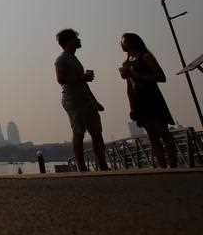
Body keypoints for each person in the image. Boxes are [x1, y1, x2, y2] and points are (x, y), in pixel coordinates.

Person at [54, 28, 110, 171]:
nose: (79, 41)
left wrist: (94, 101)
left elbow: (83, 84)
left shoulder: (74, 58)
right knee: (79, 132)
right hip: (73, 100)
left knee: (97, 131)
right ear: (68, 42)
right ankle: (82, 167)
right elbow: (60, 79)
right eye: (76, 38)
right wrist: (81, 77)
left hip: (86, 99)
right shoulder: (61, 59)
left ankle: (102, 164)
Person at [119, 32, 177, 168]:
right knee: (151, 135)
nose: (121, 44)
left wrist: (136, 75)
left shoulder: (145, 56)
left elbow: (161, 77)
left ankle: (173, 164)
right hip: (139, 101)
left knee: (163, 132)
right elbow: (129, 87)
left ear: (132, 42)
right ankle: (162, 165)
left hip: (152, 97)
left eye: (124, 41)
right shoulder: (127, 62)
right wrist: (131, 106)